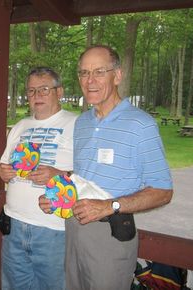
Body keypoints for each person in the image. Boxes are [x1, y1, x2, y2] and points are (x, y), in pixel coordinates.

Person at [39, 45, 173, 290]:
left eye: (99, 72)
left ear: (117, 76)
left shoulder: (140, 124)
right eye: (83, 73)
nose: (89, 80)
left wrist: (109, 206)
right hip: (73, 228)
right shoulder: (83, 123)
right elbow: (82, 179)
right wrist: (58, 197)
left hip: (111, 235)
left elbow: (163, 191)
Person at [0, 67, 77, 290]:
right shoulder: (21, 126)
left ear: (59, 92)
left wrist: (59, 175)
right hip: (13, 225)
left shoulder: (76, 124)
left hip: (53, 230)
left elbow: (90, 175)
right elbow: (3, 166)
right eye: (31, 91)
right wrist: (3, 172)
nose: (37, 96)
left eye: (44, 89)